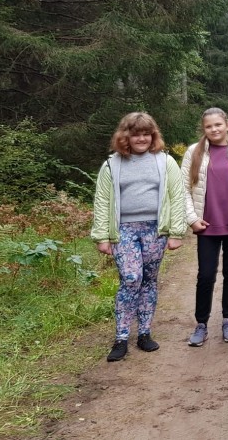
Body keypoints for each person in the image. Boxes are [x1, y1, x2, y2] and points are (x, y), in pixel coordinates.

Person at [90, 112, 186, 362]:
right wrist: (102, 236)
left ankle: (144, 333)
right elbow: (102, 201)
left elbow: (177, 197)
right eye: (136, 134)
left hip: (155, 229)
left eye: (146, 134)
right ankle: (121, 337)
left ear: (153, 136)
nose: (142, 139)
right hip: (124, 230)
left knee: (149, 280)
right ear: (126, 137)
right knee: (131, 278)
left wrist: (176, 232)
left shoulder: (165, 162)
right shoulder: (112, 164)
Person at [181, 107, 228, 347]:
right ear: (204, 129)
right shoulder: (194, 152)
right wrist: (192, 219)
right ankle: (201, 324)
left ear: (227, 125)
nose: (214, 129)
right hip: (206, 227)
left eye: (218, 125)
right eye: (209, 126)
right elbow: (183, 190)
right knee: (205, 275)